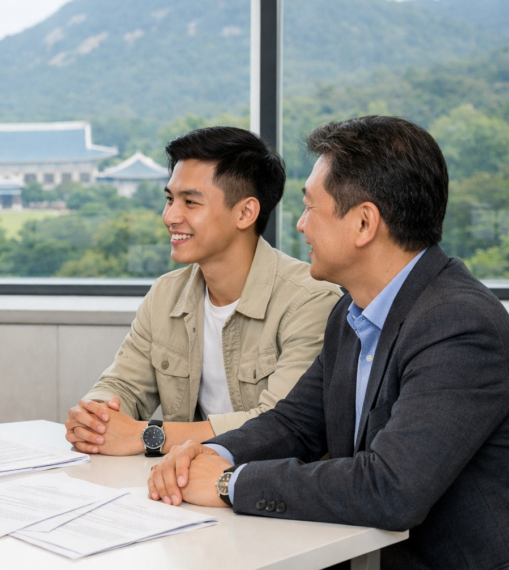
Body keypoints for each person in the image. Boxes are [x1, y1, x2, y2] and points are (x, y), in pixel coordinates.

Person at [147, 116, 509, 569]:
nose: (300, 226)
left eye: (310, 208)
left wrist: (229, 483)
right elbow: (295, 424)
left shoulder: (459, 324)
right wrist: (208, 455)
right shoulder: (351, 311)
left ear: (363, 223)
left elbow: (391, 488)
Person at [66, 127, 341, 456]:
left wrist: (149, 435)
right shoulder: (165, 294)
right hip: (182, 489)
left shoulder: (310, 301)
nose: (170, 216)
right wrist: (95, 418)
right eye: (169, 199)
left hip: (269, 496)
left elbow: (279, 427)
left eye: (190, 202)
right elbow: (123, 385)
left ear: (245, 213)